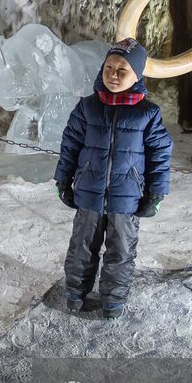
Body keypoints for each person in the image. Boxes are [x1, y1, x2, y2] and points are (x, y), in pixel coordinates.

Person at [54, 38, 173, 319]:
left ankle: (113, 301)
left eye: (123, 70)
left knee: (121, 251)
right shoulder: (87, 108)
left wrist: (156, 192)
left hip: (127, 197)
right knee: (81, 248)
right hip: (89, 194)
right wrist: (63, 180)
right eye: (109, 67)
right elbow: (70, 145)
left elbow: (160, 156)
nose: (114, 75)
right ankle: (75, 293)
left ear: (137, 75)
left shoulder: (148, 114)